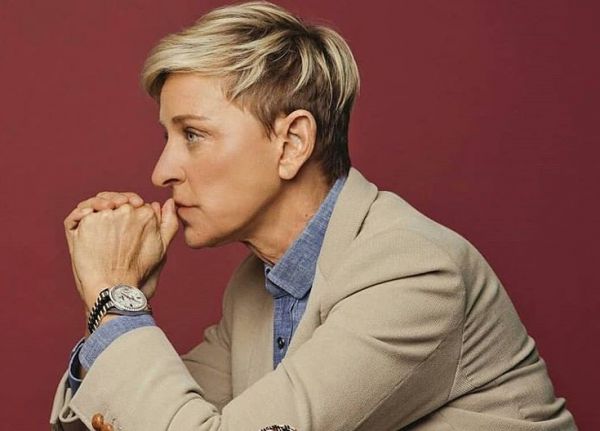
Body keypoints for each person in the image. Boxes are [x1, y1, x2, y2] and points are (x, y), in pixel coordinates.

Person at [50, 2, 577, 430]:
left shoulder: (412, 271)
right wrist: (116, 306)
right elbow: (142, 418)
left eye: (193, 134)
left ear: (292, 143)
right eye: (167, 137)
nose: (162, 171)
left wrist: (114, 300)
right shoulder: (255, 289)